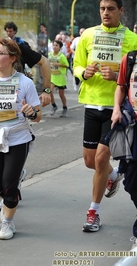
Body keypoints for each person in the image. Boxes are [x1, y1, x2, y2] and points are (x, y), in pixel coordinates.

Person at [0, 17, 50, 211]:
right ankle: (10, 183)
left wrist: (47, 91)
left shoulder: (18, 47)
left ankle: (9, 200)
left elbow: (44, 62)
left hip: (19, 114)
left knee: (9, 183)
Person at [73, 0, 137, 233]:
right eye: (102, 8)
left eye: (111, 8)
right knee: (90, 161)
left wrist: (118, 77)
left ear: (121, 10)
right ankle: (112, 175)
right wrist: (84, 72)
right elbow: (77, 65)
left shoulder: (132, 39)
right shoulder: (88, 35)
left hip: (117, 108)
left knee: (100, 159)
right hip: (91, 104)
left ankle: (93, 213)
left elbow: (134, 75)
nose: (106, 12)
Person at [111, 51, 137, 250]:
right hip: (132, 129)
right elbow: (121, 86)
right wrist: (116, 109)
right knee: (131, 182)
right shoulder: (130, 59)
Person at [48, 40, 69, 117]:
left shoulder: (62, 56)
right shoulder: (49, 55)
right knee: (49, 91)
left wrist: (58, 64)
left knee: (61, 94)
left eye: (57, 45)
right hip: (52, 77)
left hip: (60, 77)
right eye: (54, 45)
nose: (55, 47)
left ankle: (64, 107)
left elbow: (67, 65)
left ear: (60, 47)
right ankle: (54, 106)